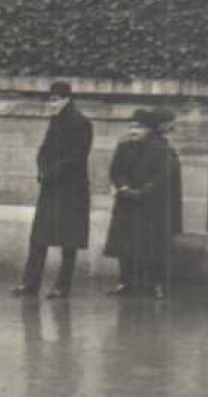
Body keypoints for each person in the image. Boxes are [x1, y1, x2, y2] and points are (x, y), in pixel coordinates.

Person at [13, 82, 94, 299]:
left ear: (67, 99)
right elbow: (44, 150)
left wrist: (50, 172)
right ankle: (30, 282)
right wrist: (41, 169)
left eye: (56, 99)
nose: (52, 103)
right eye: (50, 99)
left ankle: (62, 286)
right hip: (51, 187)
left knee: (69, 241)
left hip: (71, 189)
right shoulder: (55, 121)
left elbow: (77, 157)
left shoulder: (81, 123)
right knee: (39, 237)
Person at [104, 108, 183, 298]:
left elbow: (164, 176)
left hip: (151, 205)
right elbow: (116, 170)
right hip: (127, 202)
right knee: (125, 246)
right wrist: (123, 187)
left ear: (148, 129)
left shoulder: (162, 149)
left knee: (154, 246)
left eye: (138, 128)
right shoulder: (124, 148)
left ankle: (157, 284)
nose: (133, 131)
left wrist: (144, 192)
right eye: (130, 127)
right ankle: (125, 282)